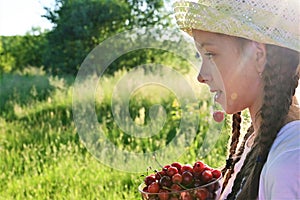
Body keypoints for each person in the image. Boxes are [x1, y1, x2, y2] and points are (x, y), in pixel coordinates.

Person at [173, 0, 300, 199]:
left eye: (211, 54)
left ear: (258, 56)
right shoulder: (256, 140)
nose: (201, 75)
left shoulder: (289, 163)